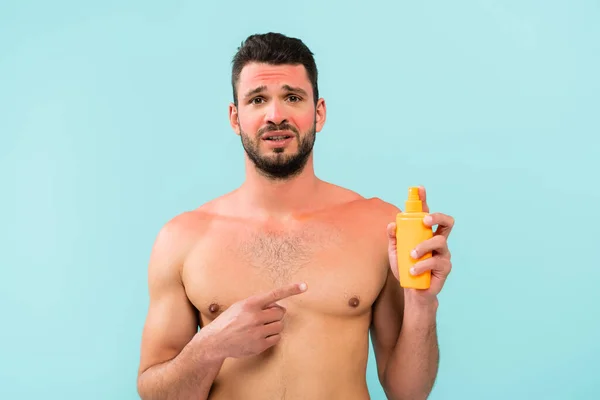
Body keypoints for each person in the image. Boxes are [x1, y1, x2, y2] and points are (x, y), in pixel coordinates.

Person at [136, 32, 455, 400]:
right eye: (258, 100)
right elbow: (155, 393)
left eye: (292, 97)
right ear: (235, 117)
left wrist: (422, 303)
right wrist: (210, 346)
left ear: (317, 113)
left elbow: (407, 393)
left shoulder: (377, 226)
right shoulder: (183, 239)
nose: (275, 115)